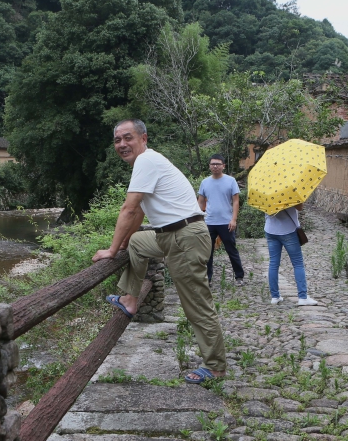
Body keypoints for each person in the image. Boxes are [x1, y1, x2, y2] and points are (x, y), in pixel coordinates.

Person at [92, 119, 226, 384]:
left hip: (184, 237)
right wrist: (122, 245)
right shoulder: (147, 164)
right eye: (117, 140)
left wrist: (111, 250)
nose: (122, 144)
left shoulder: (146, 161)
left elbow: (128, 209)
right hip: (171, 236)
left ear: (144, 138)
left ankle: (215, 367)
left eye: (127, 137)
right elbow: (140, 209)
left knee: (197, 305)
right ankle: (130, 299)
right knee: (139, 243)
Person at [197, 154, 244, 286]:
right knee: (207, 252)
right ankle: (208, 278)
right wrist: (198, 219)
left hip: (226, 222)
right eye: (213, 164)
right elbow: (200, 202)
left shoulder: (231, 181)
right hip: (209, 222)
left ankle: (239, 276)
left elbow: (235, 201)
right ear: (209, 166)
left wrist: (233, 219)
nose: (215, 166)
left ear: (223, 166)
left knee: (231, 249)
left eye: (218, 164)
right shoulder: (205, 182)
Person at [264, 204, 318, 306]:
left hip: (270, 229)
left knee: (273, 263)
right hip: (288, 230)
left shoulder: (265, 190)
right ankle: (303, 297)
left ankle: (275, 296)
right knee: (298, 264)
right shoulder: (289, 189)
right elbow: (299, 207)